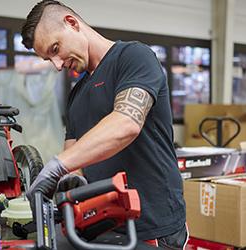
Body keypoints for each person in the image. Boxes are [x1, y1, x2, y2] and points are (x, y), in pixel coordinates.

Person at [21, 1, 188, 248]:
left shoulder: (132, 57)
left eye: (55, 48)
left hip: (152, 228)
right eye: (49, 59)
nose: (57, 65)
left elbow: (126, 123)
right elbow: (74, 157)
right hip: (103, 228)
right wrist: (71, 177)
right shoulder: (76, 96)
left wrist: (57, 166)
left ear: (72, 23)